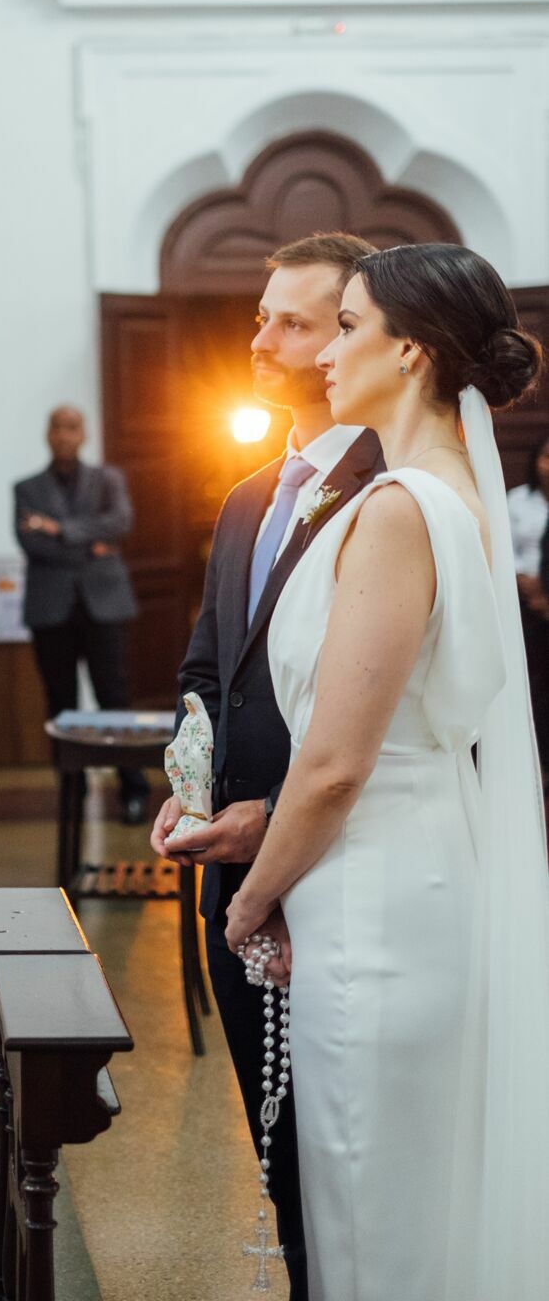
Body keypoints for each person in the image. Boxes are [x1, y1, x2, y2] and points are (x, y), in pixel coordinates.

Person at [223, 243, 549, 1301]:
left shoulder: (402, 507)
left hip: (373, 903)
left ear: (407, 351)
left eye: (348, 325)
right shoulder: (449, 491)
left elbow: (331, 763)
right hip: (410, 869)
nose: (326, 351)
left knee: (370, 1214)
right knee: (398, 1207)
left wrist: (252, 895)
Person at [150, 232, 378, 1301]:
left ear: (347, 336)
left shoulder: (390, 495)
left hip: (339, 871)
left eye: (289, 321)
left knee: (350, 1159)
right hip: (227, 874)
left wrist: (269, 820)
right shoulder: (248, 497)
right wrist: (187, 792)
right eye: (258, 316)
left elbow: (381, 720)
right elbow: (207, 664)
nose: (258, 340)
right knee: (277, 1157)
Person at [14, 406, 147, 821]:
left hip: (104, 606)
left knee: (114, 697)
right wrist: (93, 545)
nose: (64, 435)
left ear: (84, 433)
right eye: (57, 427)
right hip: (51, 610)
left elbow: (121, 522)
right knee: (60, 703)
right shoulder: (27, 489)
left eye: (72, 427)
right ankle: (72, 790)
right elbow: (32, 546)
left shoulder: (108, 480)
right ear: (47, 434)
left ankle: (133, 789)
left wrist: (59, 530)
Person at [508, 431, 549, 775]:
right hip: (529, 600)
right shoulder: (519, 501)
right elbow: (507, 552)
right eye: (545, 457)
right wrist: (534, 590)